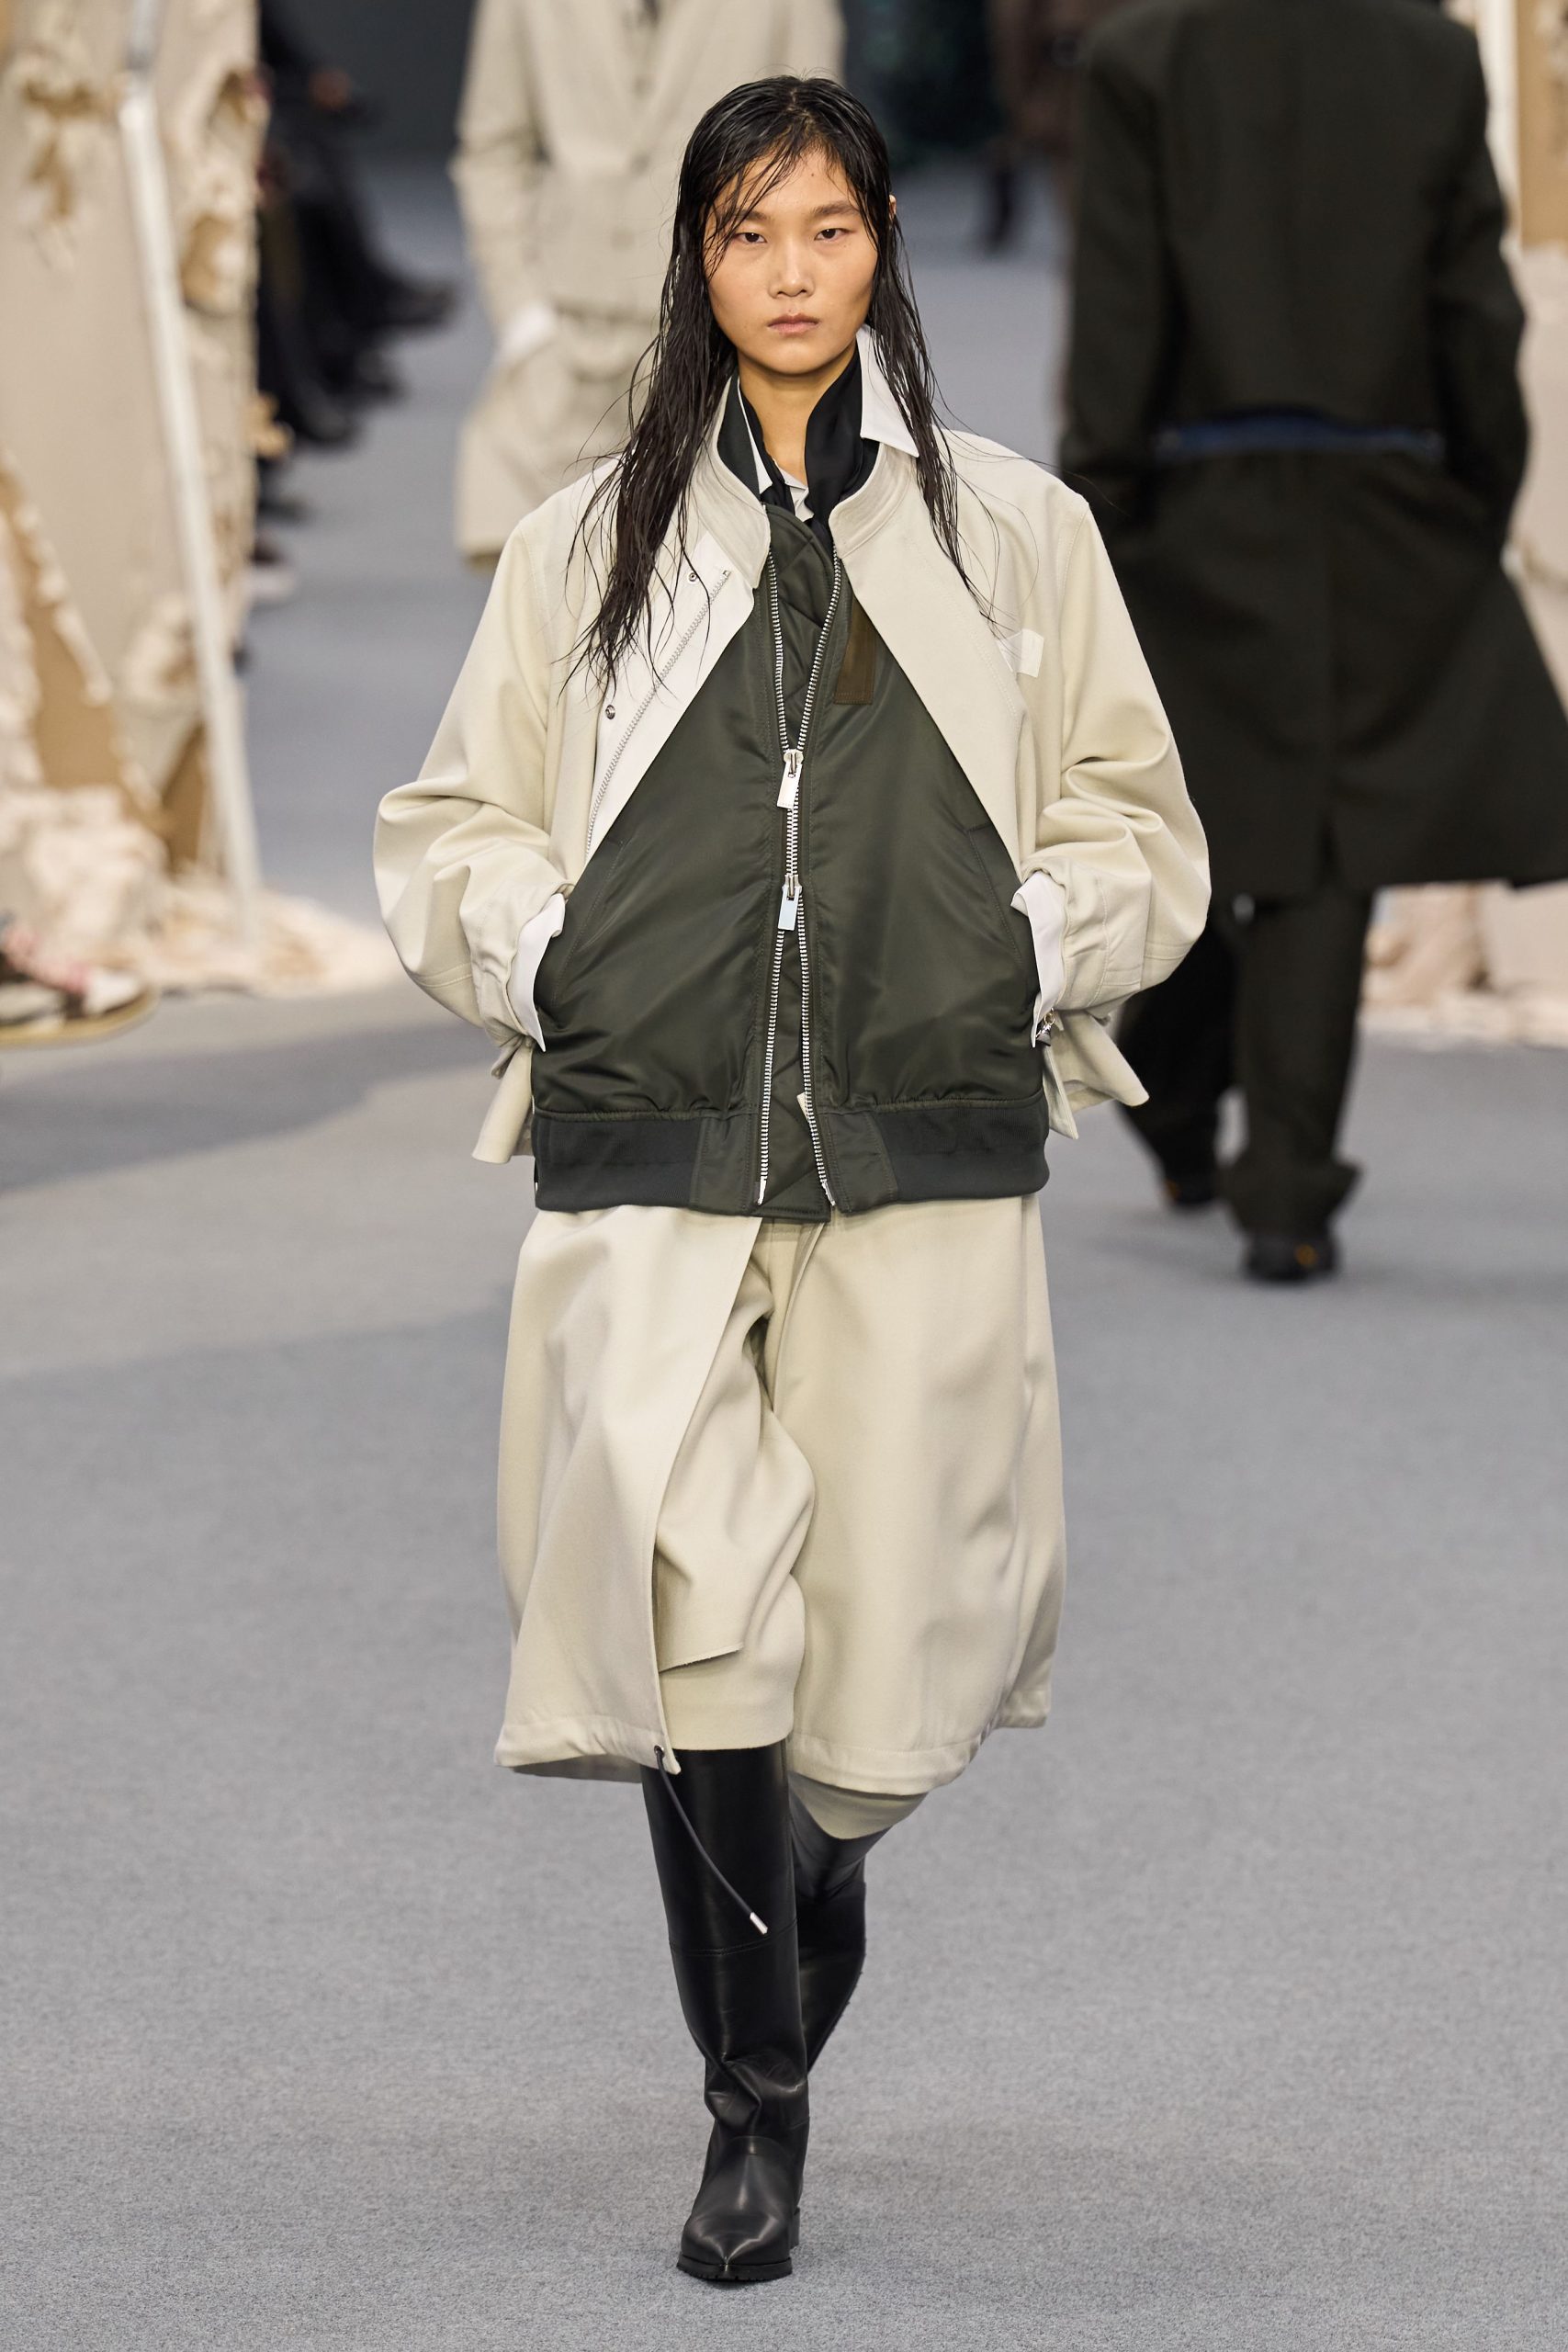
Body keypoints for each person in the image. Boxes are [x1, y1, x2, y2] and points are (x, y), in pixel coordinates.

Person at [377, 77, 1205, 2285]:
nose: (789, 272)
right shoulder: (588, 543)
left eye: (826, 228)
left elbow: (1138, 824)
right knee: (689, 1589)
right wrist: (552, 958)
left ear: (882, 245)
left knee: (906, 1644)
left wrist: (1017, 945)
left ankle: (808, 1871)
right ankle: (756, 2107)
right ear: (696, 259)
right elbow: (453, 823)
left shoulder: (1011, 534)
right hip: (652, 1130)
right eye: (746, 233)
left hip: (919, 1123)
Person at [1064, 0, 1568, 1283]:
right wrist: (1476, 486)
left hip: (1194, 495)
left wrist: (1097, 503)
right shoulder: (1426, 53)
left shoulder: (1142, 56)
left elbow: (1120, 297)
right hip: (1385, 491)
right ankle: (1280, 1189)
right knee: (1326, 843)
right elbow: (1474, 301)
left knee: (1199, 831)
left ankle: (1189, 1112)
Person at [449, 0, 843, 562]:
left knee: (718, 584)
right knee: (541, 580)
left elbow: (816, 154)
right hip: (567, 329)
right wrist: (522, 317)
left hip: (720, 333)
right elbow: (493, 149)